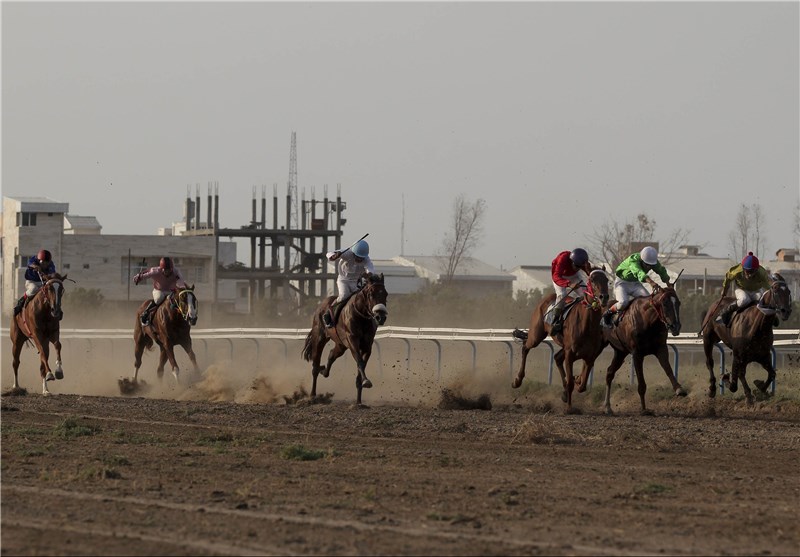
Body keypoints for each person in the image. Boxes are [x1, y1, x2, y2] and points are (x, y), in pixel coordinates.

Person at [600, 246, 672, 329]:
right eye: (646, 265)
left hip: (635, 284)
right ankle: (607, 315)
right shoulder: (633, 260)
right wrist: (651, 282)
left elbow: (661, 271)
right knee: (623, 302)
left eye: (651, 265)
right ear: (641, 259)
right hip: (622, 283)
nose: (648, 267)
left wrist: (668, 283)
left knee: (649, 301)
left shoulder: (652, 261)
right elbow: (639, 272)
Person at [322, 239, 375, 328]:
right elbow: (329, 254)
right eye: (357, 257)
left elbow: (371, 270)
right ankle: (329, 313)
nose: (359, 259)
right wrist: (334, 256)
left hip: (355, 282)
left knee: (361, 299)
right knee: (344, 296)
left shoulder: (366, 259)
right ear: (353, 253)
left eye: (361, 258)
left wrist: (367, 274)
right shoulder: (347, 253)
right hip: (343, 280)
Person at [714, 251, 771, 327]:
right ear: (743, 268)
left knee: (762, 301)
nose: (750, 275)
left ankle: (772, 317)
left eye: (752, 272)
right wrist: (725, 290)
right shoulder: (737, 271)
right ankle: (724, 313)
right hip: (741, 289)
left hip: (756, 290)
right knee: (744, 300)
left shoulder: (762, 273)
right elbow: (728, 278)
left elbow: (767, 286)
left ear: (756, 270)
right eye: (748, 271)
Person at [549, 248, 592, 335]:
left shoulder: (580, 262)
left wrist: (594, 271)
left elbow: (590, 273)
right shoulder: (562, 259)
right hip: (560, 277)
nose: (578, 269)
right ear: (571, 261)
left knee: (586, 294)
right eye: (576, 266)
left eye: (580, 267)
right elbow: (556, 276)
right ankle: (555, 320)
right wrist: (569, 284)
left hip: (574, 276)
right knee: (562, 294)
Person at [133, 257, 187, 326]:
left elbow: (181, 281)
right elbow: (145, 275)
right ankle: (146, 313)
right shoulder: (155, 271)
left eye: (169, 270)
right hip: (159, 290)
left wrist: (182, 288)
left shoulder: (176, 272)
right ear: (162, 269)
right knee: (159, 299)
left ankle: (184, 316)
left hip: (171, 291)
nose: (167, 272)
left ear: (172, 268)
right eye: (165, 270)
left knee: (176, 300)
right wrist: (138, 278)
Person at [13, 249, 57, 316]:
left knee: (52, 290)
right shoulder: (34, 259)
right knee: (34, 289)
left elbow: (52, 273)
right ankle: (21, 302)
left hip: (43, 282)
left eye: (47, 263)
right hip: (31, 282)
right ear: (39, 260)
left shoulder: (51, 264)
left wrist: (50, 276)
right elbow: (30, 264)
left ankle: (55, 308)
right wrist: (35, 266)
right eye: (43, 263)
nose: (45, 265)